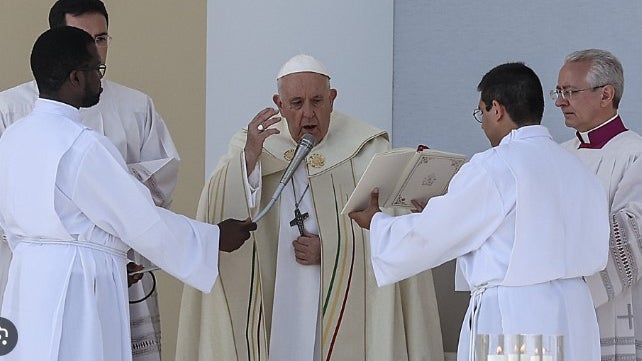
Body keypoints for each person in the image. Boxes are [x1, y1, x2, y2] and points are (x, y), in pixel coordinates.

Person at [0, 26, 256, 361]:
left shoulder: (13, 137)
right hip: (78, 284)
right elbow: (140, 220)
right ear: (76, 77)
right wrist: (213, 238)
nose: (100, 79)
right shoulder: (81, 145)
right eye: (96, 69)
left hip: (27, 282)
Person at [176, 54, 444, 361]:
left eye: (317, 101)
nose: (308, 114)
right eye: (296, 103)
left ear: (332, 99)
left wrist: (332, 250)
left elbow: (392, 228)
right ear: (279, 104)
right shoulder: (253, 146)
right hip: (279, 291)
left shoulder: (366, 149)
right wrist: (249, 158)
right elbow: (218, 207)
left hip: (340, 292)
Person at [349, 62, 610, 361]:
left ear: (496, 109)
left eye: (482, 113)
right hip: (575, 314)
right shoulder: (577, 168)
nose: (483, 122)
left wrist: (378, 222)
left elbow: (433, 235)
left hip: (517, 317)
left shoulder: (496, 165)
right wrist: (443, 208)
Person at [0, 1, 179, 359]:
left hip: (118, 264)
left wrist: (115, 242)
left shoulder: (135, 106)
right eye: (85, 39)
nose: (96, 51)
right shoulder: (10, 108)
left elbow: (161, 174)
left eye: (101, 38)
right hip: (31, 270)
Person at [553, 49, 642, 361]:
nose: (559, 101)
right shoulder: (555, 156)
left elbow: (630, 238)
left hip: (612, 309)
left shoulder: (635, 155)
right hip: (556, 311)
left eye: (570, 92)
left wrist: (566, 290)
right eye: (559, 91)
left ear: (606, 94)